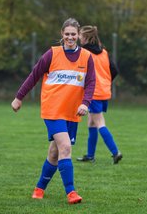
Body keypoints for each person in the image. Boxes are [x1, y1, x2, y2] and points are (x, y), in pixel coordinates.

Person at [11, 18, 96, 204]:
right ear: (62, 34)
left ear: (78, 35)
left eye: (74, 34)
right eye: (67, 34)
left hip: (73, 112)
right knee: (66, 147)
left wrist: (85, 103)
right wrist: (19, 97)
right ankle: (71, 192)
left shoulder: (87, 57)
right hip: (52, 110)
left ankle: (39, 188)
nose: (70, 37)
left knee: (55, 153)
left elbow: (90, 83)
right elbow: (34, 76)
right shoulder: (52, 54)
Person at [76, 25, 122, 164]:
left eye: (80, 35)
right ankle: (90, 156)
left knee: (100, 123)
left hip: (93, 94)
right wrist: (105, 82)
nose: (78, 37)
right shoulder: (104, 53)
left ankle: (116, 152)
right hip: (104, 92)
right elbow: (114, 70)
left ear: (86, 38)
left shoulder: (84, 53)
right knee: (91, 123)